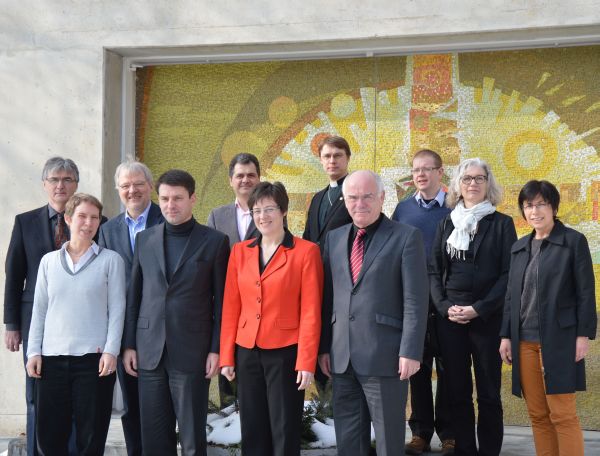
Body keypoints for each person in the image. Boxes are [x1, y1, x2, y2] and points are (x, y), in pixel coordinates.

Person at [319, 170, 429, 456]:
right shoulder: (333, 238)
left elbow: (415, 300)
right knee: (348, 442)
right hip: (342, 357)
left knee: (388, 441)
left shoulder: (406, 237)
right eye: (353, 197)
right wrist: (324, 347)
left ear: (382, 197)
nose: (360, 204)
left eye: (367, 196)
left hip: (386, 357)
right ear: (345, 200)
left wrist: (411, 351)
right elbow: (328, 298)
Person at [122, 169, 229, 456]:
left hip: (193, 352)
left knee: (193, 439)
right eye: (165, 199)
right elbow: (135, 297)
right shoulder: (144, 240)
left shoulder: (215, 241)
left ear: (192, 198)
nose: (171, 205)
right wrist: (129, 344)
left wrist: (216, 349)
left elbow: (222, 303)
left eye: (178, 198)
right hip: (149, 352)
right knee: (155, 439)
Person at [220, 181, 323, 456]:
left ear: (284, 211)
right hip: (247, 350)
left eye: (269, 209)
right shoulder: (240, 251)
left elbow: (311, 311)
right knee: (252, 428)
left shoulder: (306, 251)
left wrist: (306, 361)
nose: (262, 216)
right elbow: (231, 307)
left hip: (285, 352)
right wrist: (227, 356)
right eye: (256, 211)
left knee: (284, 427)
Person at [499, 180, 597, 456]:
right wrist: (506, 336)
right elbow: (511, 297)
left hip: (560, 340)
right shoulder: (519, 248)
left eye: (541, 204)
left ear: (553, 207)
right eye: (528, 205)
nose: (535, 211)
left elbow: (585, 292)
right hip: (524, 342)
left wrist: (582, 335)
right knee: (538, 415)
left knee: (562, 414)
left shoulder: (573, 242)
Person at [26, 193, 126, 455]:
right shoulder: (48, 262)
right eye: (82, 216)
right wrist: (33, 351)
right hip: (51, 360)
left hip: (94, 362)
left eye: (94, 218)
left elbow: (117, 310)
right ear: (68, 219)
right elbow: (39, 309)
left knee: (91, 438)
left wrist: (111, 351)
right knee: (49, 438)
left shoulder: (111, 260)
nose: (88, 223)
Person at [429, 157, 517, 456]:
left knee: (489, 393)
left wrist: (480, 308)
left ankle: (489, 450)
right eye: (467, 178)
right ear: (457, 184)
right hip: (451, 319)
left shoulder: (502, 224)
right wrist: (444, 307)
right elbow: (434, 271)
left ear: (488, 183)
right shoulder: (446, 223)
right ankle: (464, 449)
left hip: (487, 319)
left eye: (480, 178)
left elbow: (508, 274)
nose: (473, 184)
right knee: (457, 391)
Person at [4, 156, 80, 456]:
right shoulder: (26, 222)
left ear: (76, 184)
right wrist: (12, 324)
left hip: (78, 323)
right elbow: (14, 274)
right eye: (54, 180)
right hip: (34, 319)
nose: (61, 185)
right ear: (44, 184)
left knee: (74, 395)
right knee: (36, 392)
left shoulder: (93, 221)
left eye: (67, 180)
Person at [98, 160, 164, 456]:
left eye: (138, 184)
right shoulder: (107, 229)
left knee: (162, 407)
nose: (132, 190)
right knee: (132, 405)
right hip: (125, 326)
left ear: (150, 186)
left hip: (161, 326)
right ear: (118, 190)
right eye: (125, 185)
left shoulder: (167, 218)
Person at [391, 149, 454, 455]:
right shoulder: (403, 210)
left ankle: (449, 433)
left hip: (448, 299)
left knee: (449, 366)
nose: (421, 175)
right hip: (413, 299)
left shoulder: (456, 208)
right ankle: (420, 433)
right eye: (416, 169)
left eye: (427, 169)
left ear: (440, 172)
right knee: (416, 364)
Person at [207, 152, 261, 407]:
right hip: (226, 304)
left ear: (259, 178)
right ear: (230, 180)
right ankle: (229, 420)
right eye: (239, 175)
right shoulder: (217, 215)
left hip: (258, 304)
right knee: (227, 368)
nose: (245, 180)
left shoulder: (270, 212)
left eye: (251, 175)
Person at [303, 135, 353, 251]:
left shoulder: (357, 194)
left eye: (337, 155)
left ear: (348, 158)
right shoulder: (317, 198)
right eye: (327, 156)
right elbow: (307, 237)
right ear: (321, 160)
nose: (332, 161)